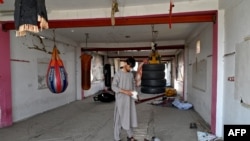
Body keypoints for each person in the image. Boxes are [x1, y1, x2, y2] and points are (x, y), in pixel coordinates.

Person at [111, 57, 138, 141]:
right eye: (130, 67)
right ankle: (117, 138)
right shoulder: (118, 74)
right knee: (118, 120)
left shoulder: (130, 74)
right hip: (121, 101)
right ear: (126, 64)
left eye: (132, 67)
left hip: (129, 100)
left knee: (129, 118)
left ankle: (130, 137)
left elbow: (133, 85)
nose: (130, 69)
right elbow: (113, 87)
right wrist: (125, 92)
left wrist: (135, 94)